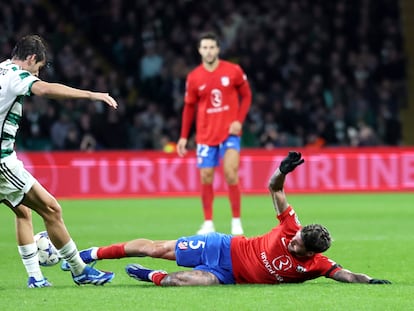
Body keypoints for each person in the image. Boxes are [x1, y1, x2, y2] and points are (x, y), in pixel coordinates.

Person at [61, 151, 391, 286]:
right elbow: (273, 188)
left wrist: (372, 282)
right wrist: (282, 170)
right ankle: (88, 255)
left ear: (309, 253)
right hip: (221, 248)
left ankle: (152, 278)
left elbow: (347, 275)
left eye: (296, 244)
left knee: (179, 283)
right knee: (153, 246)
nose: (291, 239)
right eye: (295, 236)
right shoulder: (291, 225)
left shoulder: (317, 266)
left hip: (228, 277)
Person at [1, 34, 116, 287]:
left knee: (22, 211)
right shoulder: (17, 76)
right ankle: (79, 270)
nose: (37, 75)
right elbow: (44, 89)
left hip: (6, 159)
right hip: (2, 163)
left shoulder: (1, 70)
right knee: (52, 209)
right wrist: (91, 95)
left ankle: (35, 277)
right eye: (38, 68)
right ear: (31, 58)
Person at [176, 32, 252, 235]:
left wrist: (239, 120)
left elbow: (246, 96)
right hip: (205, 134)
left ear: (218, 49)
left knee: (230, 172)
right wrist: (184, 136)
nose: (208, 51)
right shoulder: (194, 77)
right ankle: (208, 222)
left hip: (229, 132)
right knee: (206, 177)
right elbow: (189, 108)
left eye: (212, 47)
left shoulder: (233, 70)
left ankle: (236, 221)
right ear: (199, 51)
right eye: (205, 48)